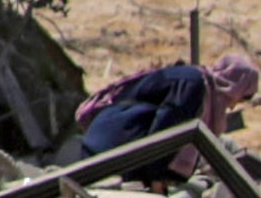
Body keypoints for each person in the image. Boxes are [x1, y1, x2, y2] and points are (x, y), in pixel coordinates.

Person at [73, 52, 258, 177]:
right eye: (241, 99)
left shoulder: (198, 85)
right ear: (233, 87)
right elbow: (164, 134)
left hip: (108, 148)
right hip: (111, 149)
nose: (234, 107)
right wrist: (156, 179)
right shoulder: (192, 85)